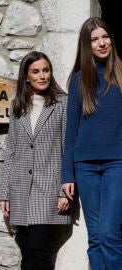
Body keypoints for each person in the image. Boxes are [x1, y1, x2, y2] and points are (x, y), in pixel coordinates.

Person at [0, 51, 71, 270]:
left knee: (38, 252)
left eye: (46, 70)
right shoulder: (17, 107)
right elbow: (11, 150)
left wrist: (63, 191)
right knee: (28, 252)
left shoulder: (63, 104)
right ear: (26, 76)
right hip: (20, 191)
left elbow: (67, 148)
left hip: (48, 191)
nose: (42, 76)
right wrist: (4, 192)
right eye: (36, 71)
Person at [62, 17, 122, 270]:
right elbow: (71, 132)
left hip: (116, 164)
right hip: (85, 166)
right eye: (94, 39)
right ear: (87, 46)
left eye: (105, 37)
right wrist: (67, 174)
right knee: (95, 237)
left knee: (109, 234)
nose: (101, 43)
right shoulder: (78, 80)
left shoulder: (121, 76)